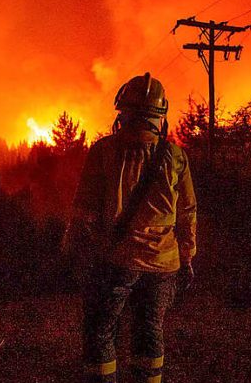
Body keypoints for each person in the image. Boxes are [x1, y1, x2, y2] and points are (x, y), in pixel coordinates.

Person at [65, 73, 197, 383]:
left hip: (116, 260)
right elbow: (188, 212)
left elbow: (84, 209)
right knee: (149, 329)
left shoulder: (104, 151)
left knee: (100, 329)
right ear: (160, 116)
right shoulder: (176, 157)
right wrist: (187, 257)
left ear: (123, 112)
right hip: (164, 264)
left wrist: (72, 247)